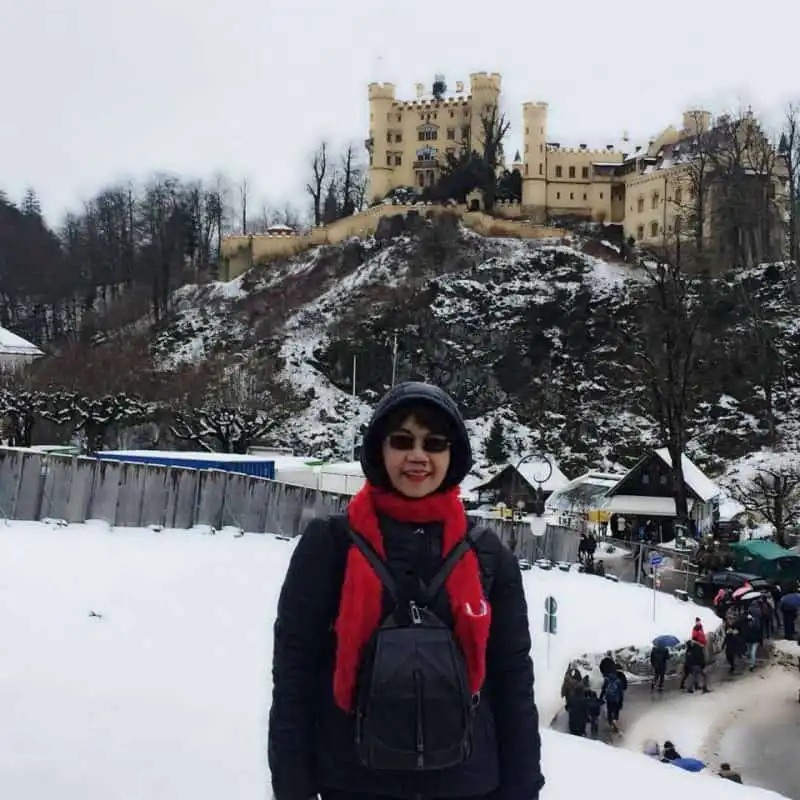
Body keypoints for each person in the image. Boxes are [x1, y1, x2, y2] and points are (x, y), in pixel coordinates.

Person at [268, 382, 544, 800]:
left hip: (466, 785)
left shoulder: (488, 553)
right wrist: (293, 786)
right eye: (402, 441)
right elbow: (295, 670)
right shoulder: (331, 545)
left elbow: (512, 678)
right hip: (355, 782)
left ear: (453, 455)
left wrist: (522, 789)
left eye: (434, 443)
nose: (418, 456)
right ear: (378, 450)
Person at [599, 666, 626, 731]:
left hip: (609, 698)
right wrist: (621, 702)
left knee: (609, 711)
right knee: (616, 710)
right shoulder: (618, 681)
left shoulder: (607, 680)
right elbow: (621, 693)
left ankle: (610, 723)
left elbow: (603, 689)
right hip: (616, 699)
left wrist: (601, 697)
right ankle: (615, 720)